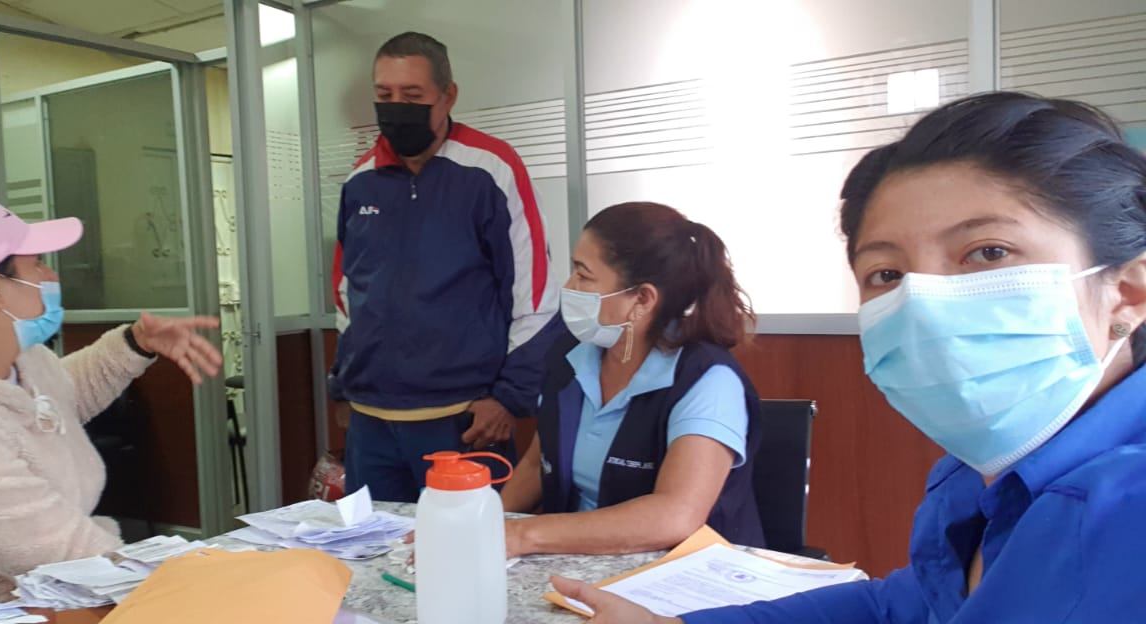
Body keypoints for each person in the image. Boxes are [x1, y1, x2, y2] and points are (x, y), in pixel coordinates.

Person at [551, 92, 1146, 622]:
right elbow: (902, 607)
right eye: (886, 273)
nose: (924, 306)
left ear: (1129, 290)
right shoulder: (974, 478)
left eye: (988, 252)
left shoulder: (1123, 513)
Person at [0, 193, 223, 601]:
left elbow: (50, 405)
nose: (50, 275)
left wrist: (134, 343)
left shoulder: (15, 363)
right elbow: (74, 556)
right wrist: (214, 584)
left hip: (46, 599)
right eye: (36, 263)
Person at [330, 31, 559, 502]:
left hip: (462, 421)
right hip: (372, 423)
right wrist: (344, 387)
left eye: (413, 96)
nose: (396, 107)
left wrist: (508, 398)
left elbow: (534, 292)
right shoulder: (360, 181)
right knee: (374, 545)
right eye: (384, 95)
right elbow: (346, 293)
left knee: (469, 543)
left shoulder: (491, 170)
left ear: (448, 95)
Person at [499, 202, 764, 558]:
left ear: (642, 298)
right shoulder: (570, 356)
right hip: (575, 562)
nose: (569, 286)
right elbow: (537, 464)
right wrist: (486, 526)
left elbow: (676, 514)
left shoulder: (708, 380)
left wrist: (522, 535)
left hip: (682, 576)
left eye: (583, 275)